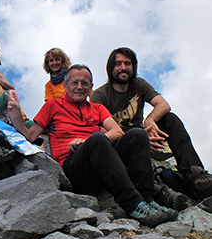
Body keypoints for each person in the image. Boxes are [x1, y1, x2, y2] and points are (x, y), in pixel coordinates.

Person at [6, 64, 177, 226]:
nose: (79, 86)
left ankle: (147, 200)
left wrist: (85, 142)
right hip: (73, 171)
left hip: (100, 165)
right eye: (74, 82)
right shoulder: (52, 105)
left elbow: (117, 131)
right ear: (65, 86)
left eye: (84, 83)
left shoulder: (97, 108)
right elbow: (30, 135)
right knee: (97, 138)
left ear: (90, 88)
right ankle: (133, 204)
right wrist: (15, 116)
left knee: (138, 134)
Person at [91, 47, 212, 200]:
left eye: (127, 63)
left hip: (144, 137)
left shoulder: (139, 84)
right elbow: (99, 130)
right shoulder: (100, 95)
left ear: (133, 67)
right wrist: (140, 140)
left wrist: (150, 120)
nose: (123, 68)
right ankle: (156, 192)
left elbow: (163, 105)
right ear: (110, 68)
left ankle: (195, 175)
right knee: (134, 136)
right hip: (120, 147)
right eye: (118, 64)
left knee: (170, 119)